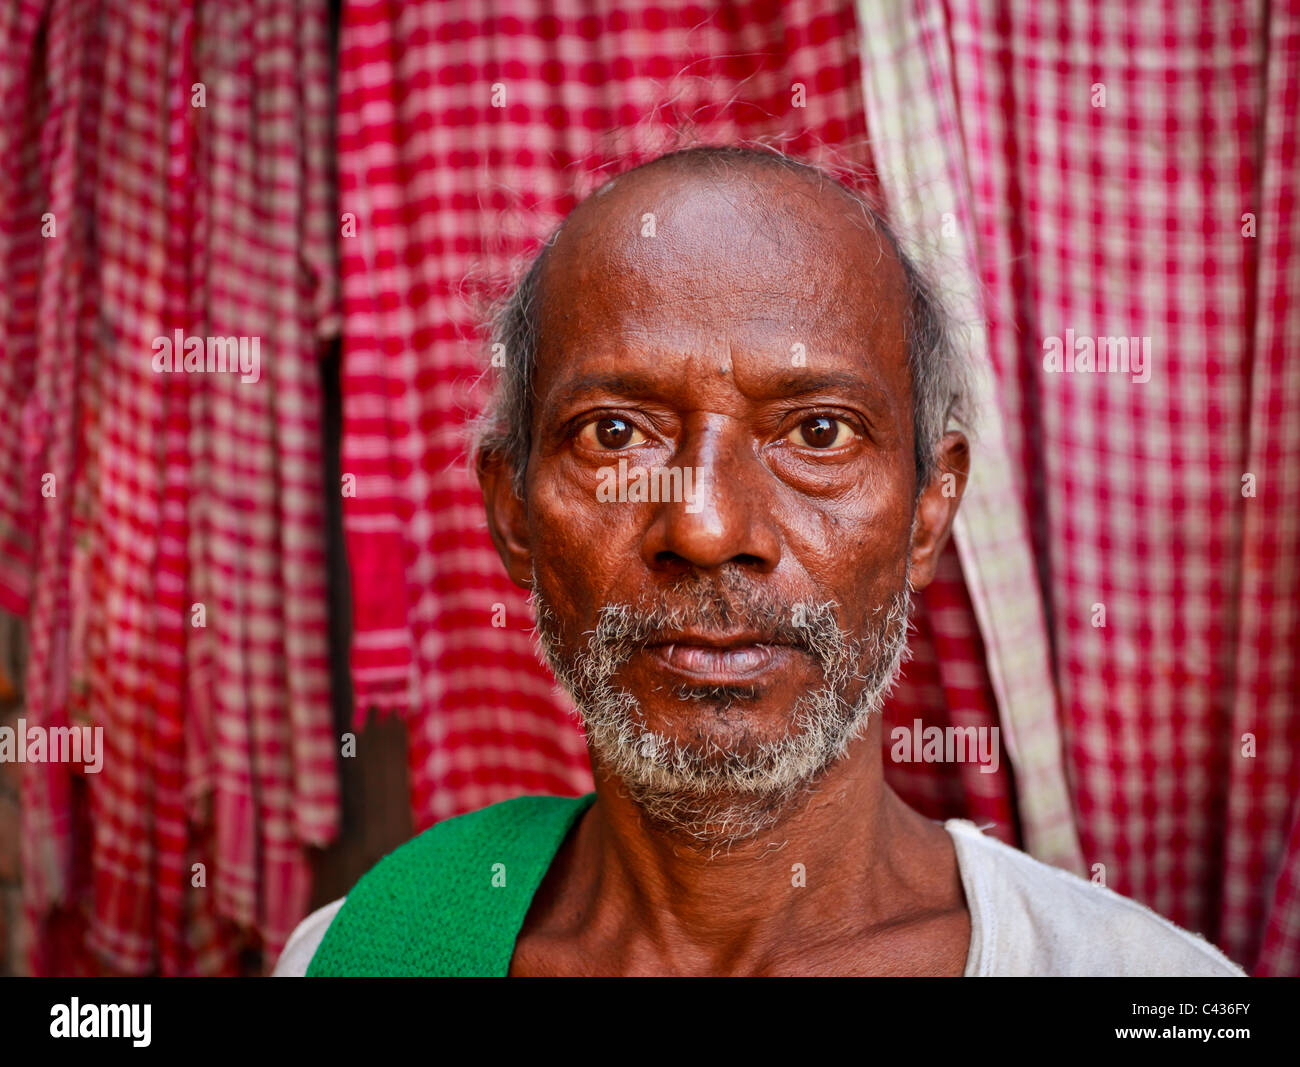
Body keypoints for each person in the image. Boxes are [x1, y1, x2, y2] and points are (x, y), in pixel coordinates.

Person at [276, 146, 1243, 977]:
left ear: (927, 511)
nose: (704, 525)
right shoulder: (363, 952)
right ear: (514, 513)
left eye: (818, 431)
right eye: (616, 434)